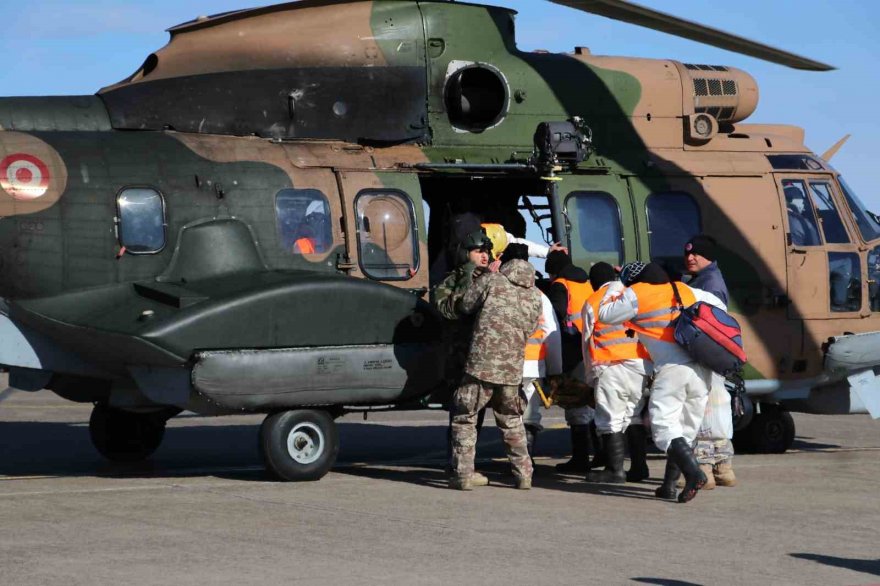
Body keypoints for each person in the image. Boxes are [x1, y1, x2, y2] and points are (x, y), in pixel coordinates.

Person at [598, 262, 726, 503]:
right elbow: (720, 308)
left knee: (664, 426)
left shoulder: (638, 292)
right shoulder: (684, 290)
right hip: (701, 367)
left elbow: (605, 315)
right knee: (685, 428)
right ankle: (668, 486)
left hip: (672, 368)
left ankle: (694, 472)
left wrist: (615, 286)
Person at [449, 252, 543, 490]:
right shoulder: (535, 295)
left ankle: (464, 475)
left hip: (480, 366)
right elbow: (532, 327)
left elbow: (466, 304)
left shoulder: (492, 280)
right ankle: (524, 474)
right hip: (511, 369)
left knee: (465, 417)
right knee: (511, 420)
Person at [431, 229, 494, 486]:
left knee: (480, 413)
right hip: (459, 357)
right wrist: (468, 276)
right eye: (478, 251)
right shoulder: (449, 282)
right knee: (462, 413)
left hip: (485, 356)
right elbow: (447, 309)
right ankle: (457, 464)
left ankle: (468, 462)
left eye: (486, 251)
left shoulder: (492, 281)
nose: (484, 255)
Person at [582, 262, 652, 483]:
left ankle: (615, 470)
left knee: (610, 419)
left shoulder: (593, 301)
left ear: (593, 283)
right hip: (640, 365)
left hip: (610, 365)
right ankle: (640, 467)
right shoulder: (632, 293)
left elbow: (586, 342)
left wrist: (589, 377)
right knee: (633, 416)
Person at [682, 235, 736, 488]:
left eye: (697, 254)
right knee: (718, 408)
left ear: (709, 256)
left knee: (702, 409)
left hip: (705, 353)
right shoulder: (704, 280)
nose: (690, 258)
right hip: (714, 354)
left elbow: (709, 323)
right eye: (688, 254)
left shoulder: (709, 284)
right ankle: (723, 469)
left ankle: (704, 470)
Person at [502, 243, 563, 459]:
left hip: (503, 365)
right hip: (533, 365)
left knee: (509, 415)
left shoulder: (496, 291)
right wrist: (555, 369)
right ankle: (527, 463)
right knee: (529, 414)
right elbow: (551, 333)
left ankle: (516, 463)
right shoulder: (539, 296)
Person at [544, 250, 598, 473]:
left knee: (575, 405)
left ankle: (580, 458)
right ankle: (601, 453)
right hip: (589, 347)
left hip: (570, 349)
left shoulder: (560, 285)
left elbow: (554, 314)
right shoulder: (585, 282)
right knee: (590, 402)